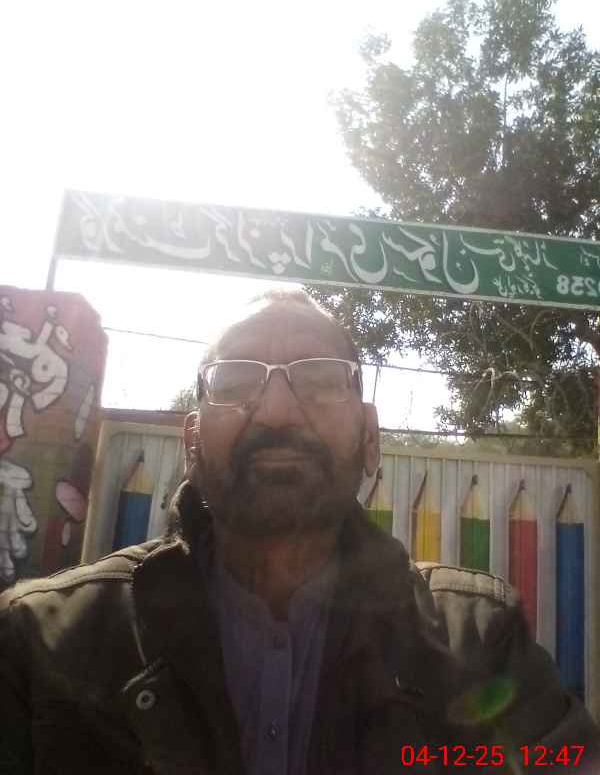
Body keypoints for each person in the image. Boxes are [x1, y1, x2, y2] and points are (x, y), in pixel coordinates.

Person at [1, 289, 598, 775]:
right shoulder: (40, 643)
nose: (277, 412)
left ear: (370, 438)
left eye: (320, 380)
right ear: (191, 443)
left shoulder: (480, 640)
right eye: (235, 382)